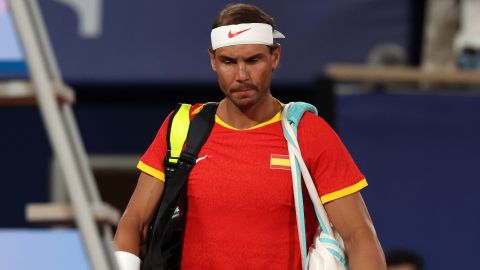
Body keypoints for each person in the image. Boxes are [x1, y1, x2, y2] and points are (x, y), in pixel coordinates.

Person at [114, 3, 386, 269]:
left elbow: (359, 236)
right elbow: (134, 221)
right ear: (213, 61)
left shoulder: (308, 133)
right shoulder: (182, 126)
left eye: (253, 60)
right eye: (229, 61)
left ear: (275, 57)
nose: (241, 75)